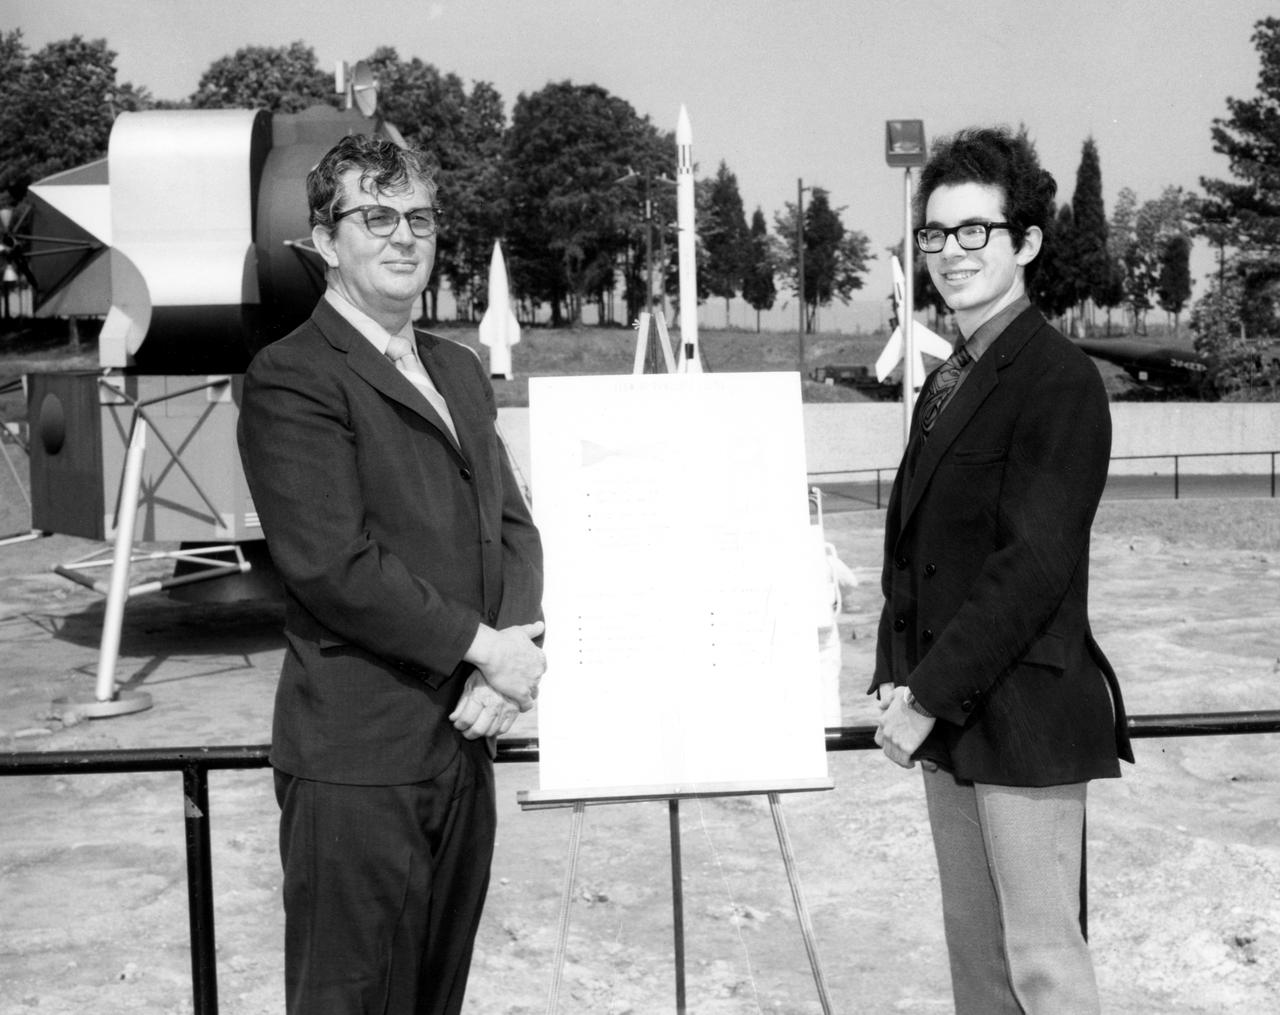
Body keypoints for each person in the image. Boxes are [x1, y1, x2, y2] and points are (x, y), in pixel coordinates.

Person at [237, 133, 545, 1014]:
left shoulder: (457, 368)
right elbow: (334, 565)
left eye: (419, 217)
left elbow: (513, 529)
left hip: (463, 744)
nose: (404, 236)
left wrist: (511, 652)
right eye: (376, 216)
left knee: (434, 997)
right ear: (326, 242)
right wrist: (487, 646)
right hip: (358, 763)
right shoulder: (291, 377)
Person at [870, 126, 1133, 1015]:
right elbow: (915, 545)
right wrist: (894, 674)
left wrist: (926, 694)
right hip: (950, 717)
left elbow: (1033, 564)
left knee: (1044, 968)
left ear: (1025, 243)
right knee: (979, 972)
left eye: (975, 230)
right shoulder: (949, 379)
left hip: (1023, 719)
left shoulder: (1059, 379)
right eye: (936, 234)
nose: (950, 253)